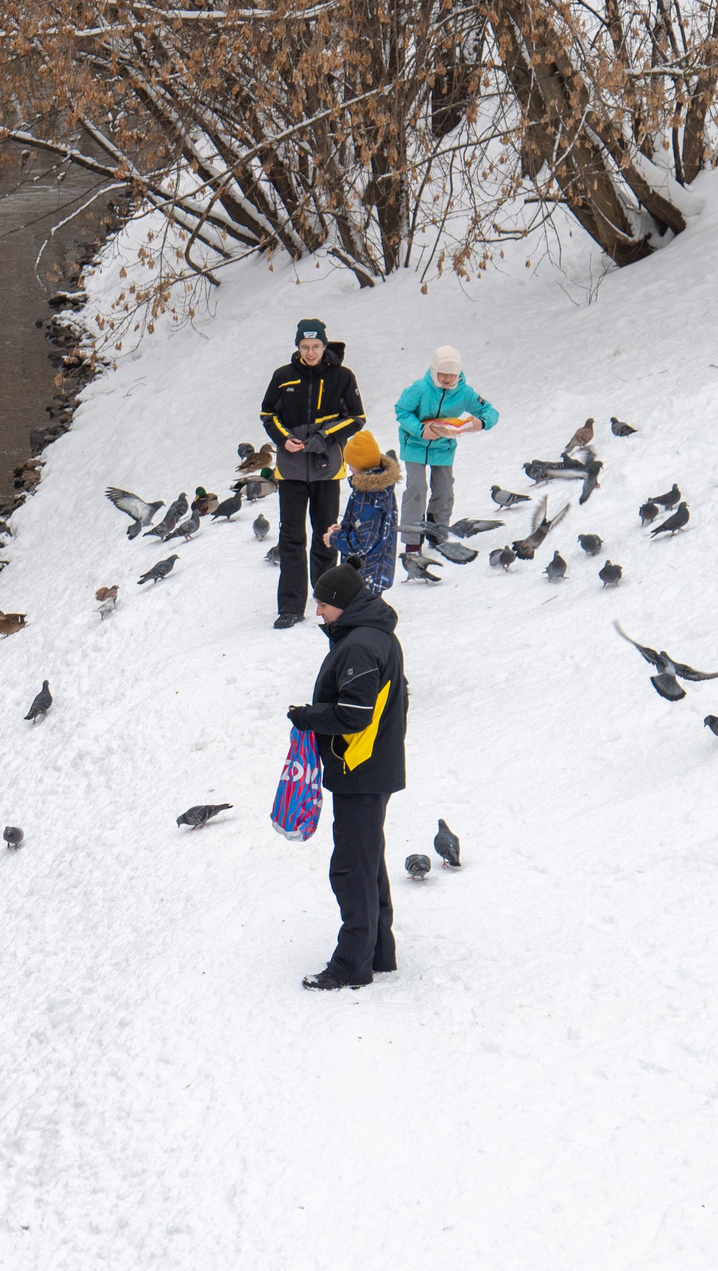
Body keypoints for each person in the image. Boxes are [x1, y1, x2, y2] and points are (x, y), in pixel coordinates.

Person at [287, 563, 407, 990]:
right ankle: (379, 952)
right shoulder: (377, 635)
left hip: (361, 769)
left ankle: (352, 965)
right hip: (372, 766)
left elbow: (354, 715)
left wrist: (307, 717)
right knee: (368, 861)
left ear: (341, 603)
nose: (317, 610)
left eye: (321, 602)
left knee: (351, 868)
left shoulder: (359, 645)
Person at [259, 318, 367, 629]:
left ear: (324, 345)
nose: (310, 352)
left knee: (325, 536)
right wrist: (283, 439)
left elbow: (357, 417)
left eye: (316, 346)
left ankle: (328, 602)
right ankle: (291, 606)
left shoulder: (343, 376)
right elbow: (268, 413)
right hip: (291, 469)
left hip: (327, 468)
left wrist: (326, 437)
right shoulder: (283, 377)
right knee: (291, 538)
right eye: (305, 347)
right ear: (297, 347)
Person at [392, 345, 499, 573]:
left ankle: (438, 532)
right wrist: (420, 430)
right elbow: (401, 411)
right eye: (443, 374)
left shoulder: (465, 392)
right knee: (417, 488)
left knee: (445, 491)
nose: (448, 379)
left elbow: (490, 412)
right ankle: (412, 541)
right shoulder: (420, 388)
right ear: (434, 371)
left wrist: (481, 422)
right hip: (415, 444)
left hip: (443, 447)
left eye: (453, 374)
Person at [321, 429, 400, 594]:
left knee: (359, 616)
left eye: (350, 464)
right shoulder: (380, 488)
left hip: (365, 574)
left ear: (360, 464)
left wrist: (334, 539)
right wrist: (344, 528)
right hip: (377, 568)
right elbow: (368, 527)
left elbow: (361, 544)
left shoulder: (369, 495)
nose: (349, 468)